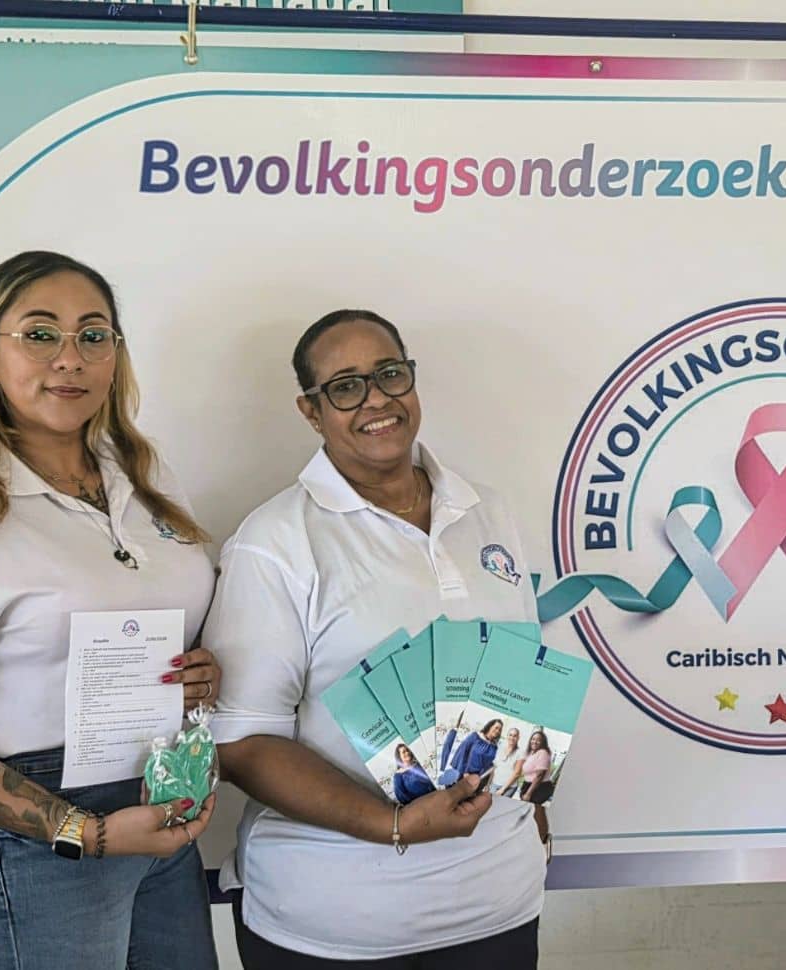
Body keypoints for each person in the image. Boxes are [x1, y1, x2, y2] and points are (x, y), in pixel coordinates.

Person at [0, 251, 223, 969]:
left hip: (155, 809)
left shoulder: (144, 479)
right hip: (23, 839)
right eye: (39, 334)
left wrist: (196, 672)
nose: (70, 357)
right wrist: (83, 831)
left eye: (93, 335)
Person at [207, 309, 547, 968]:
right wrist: (394, 825)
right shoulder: (276, 541)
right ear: (311, 412)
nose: (376, 400)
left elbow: (521, 681)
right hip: (336, 925)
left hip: (500, 908)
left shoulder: (488, 511)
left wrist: (533, 821)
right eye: (345, 387)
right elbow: (241, 743)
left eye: (390, 374)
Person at [517, 730, 553, 803]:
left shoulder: (543, 753)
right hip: (528, 785)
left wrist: (528, 794)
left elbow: (540, 775)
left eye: (538, 740)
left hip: (537, 788)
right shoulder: (532, 753)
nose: (535, 742)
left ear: (543, 742)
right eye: (533, 739)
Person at [491, 727, 524, 797]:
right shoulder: (500, 748)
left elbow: (517, 773)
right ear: (507, 736)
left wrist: (503, 789)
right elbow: (495, 767)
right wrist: (490, 783)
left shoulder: (520, 753)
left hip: (509, 787)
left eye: (515, 736)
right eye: (510, 735)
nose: (512, 737)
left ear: (518, 738)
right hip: (495, 783)